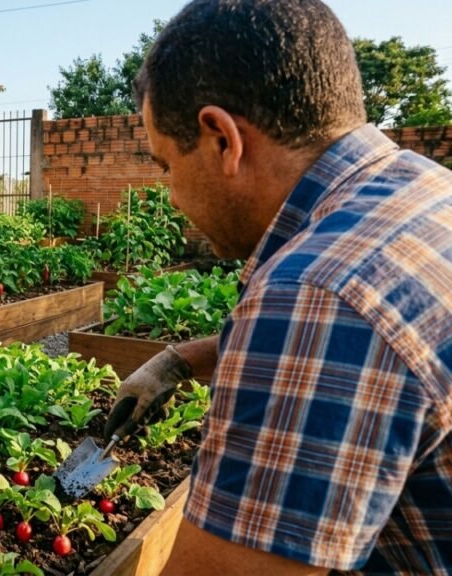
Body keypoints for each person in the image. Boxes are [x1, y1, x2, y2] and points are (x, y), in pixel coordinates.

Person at [104, 0, 452, 573]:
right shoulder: (418, 192)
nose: (171, 198)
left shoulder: (317, 293)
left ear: (222, 138)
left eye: (166, 166)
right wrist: (181, 360)